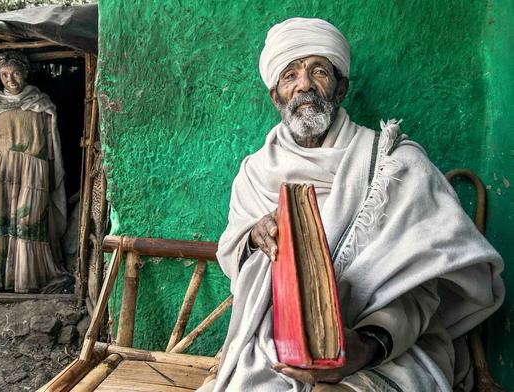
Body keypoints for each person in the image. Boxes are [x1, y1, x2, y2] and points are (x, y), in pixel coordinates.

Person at [203, 18, 504, 391]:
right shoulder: (255, 173)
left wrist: (366, 346)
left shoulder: (395, 164)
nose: (305, 86)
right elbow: (232, 251)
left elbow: (422, 288)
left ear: (341, 88)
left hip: (389, 347)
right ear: (276, 97)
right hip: (276, 345)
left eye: (319, 72)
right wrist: (254, 237)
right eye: (290, 76)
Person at [0, 51, 67, 293]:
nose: (10, 79)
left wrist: (51, 167)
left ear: (26, 73)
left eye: (16, 73)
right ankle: (1, 278)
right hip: (3, 171)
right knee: (2, 220)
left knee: (28, 219)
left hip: (33, 170)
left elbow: (52, 141)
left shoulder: (41, 102)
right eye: (5, 74)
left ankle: (28, 277)